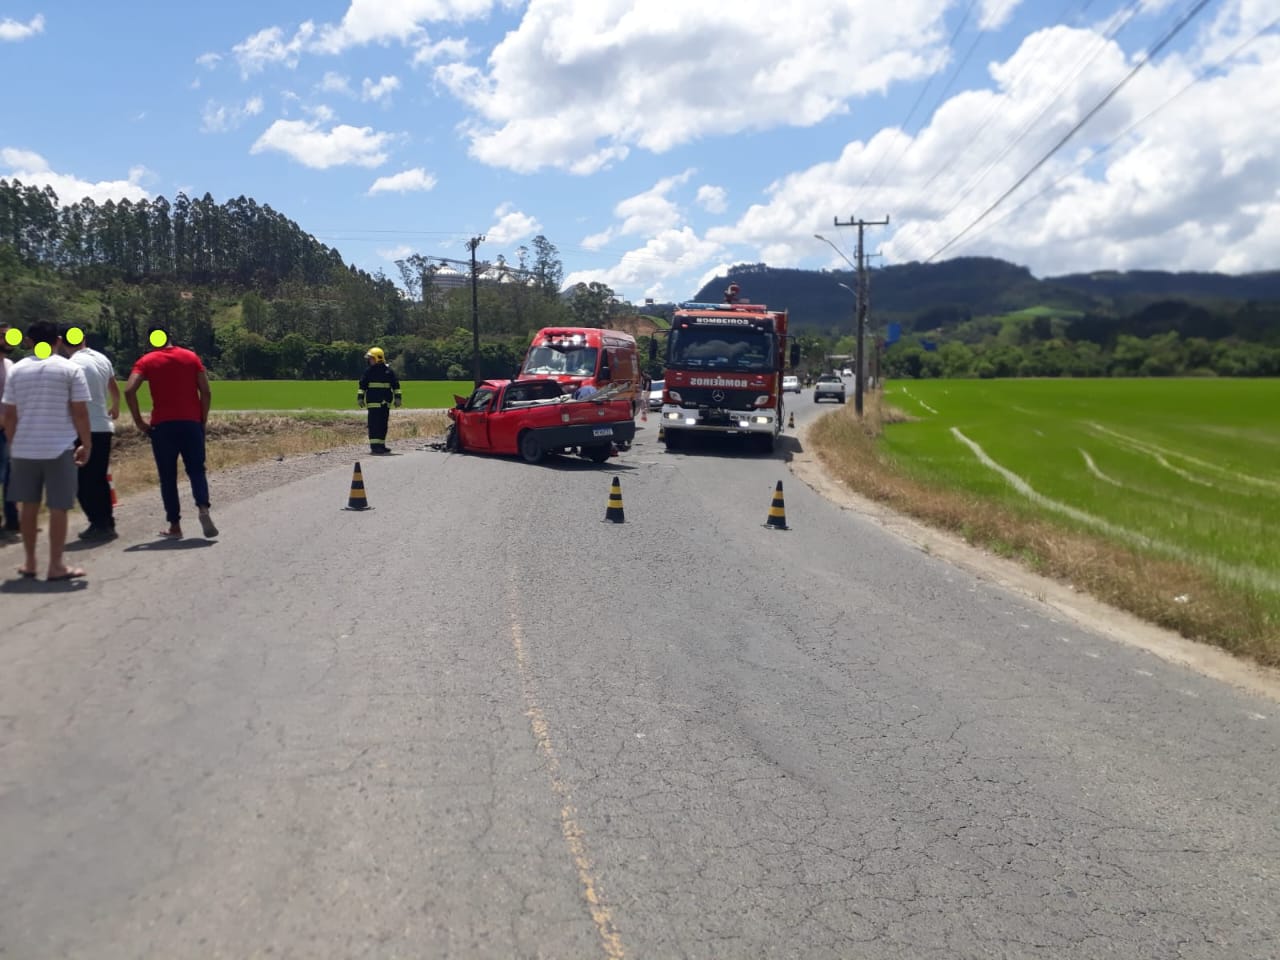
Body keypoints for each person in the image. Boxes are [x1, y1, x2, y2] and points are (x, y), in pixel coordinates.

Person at [0, 319, 92, 580]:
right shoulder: (69, 369)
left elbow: (10, 415)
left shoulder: (17, 370)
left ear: (29, 342)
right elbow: (80, 412)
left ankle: (30, 563)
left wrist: (14, 443)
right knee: (58, 508)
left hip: (24, 449)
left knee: (28, 506)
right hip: (59, 448)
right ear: (59, 341)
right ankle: (56, 565)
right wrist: (86, 443)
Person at [123, 328, 218, 540]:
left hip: (162, 427)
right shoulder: (190, 357)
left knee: (168, 477)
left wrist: (139, 421)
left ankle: (175, 526)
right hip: (191, 424)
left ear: (151, 341)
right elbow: (206, 390)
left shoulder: (146, 361)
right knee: (196, 470)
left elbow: (129, 390)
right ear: (170, 338)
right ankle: (203, 508)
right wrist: (202, 419)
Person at [60, 324, 120, 541]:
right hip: (104, 427)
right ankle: (106, 522)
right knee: (99, 478)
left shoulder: (72, 365)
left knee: (82, 481)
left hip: (84, 429)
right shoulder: (101, 358)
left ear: (60, 340)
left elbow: (73, 402)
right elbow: (113, 385)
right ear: (83, 337)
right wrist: (115, 404)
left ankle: (99, 523)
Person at [357, 346, 401, 454]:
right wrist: (360, 398)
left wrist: (398, 398)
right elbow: (362, 385)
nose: (369, 360)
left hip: (385, 403)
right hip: (373, 403)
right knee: (374, 425)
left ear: (378, 358)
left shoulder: (388, 371)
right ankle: (374, 446)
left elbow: (396, 385)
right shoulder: (369, 372)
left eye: (371, 358)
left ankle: (381, 445)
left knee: (383, 425)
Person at [0, 320, 21, 534]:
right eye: (2, 336)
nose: (6, 340)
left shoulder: (10, 365)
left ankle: (12, 519)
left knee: (10, 477)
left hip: (9, 430)